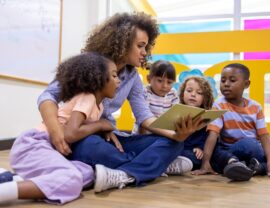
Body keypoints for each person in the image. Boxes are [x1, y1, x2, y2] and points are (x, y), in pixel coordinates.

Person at [37, 12, 203, 193]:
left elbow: (145, 117)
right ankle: (153, 166)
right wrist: (55, 129)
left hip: (113, 138)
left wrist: (175, 135)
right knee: (92, 147)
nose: (144, 53)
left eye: (146, 47)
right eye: (140, 46)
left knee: (175, 144)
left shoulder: (132, 77)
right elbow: (48, 96)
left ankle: (126, 172)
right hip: (83, 136)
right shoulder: (88, 65)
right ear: (122, 43)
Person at [0, 52, 120, 204]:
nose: (119, 81)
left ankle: (11, 179)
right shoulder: (88, 98)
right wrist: (101, 124)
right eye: (114, 76)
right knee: (73, 178)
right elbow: (71, 134)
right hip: (33, 145)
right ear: (98, 79)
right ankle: (4, 192)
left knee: (88, 172)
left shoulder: (99, 105)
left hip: (46, 149)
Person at [194, 63, 270, 179]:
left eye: (232, 80)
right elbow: (213, 134)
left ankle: (264, 167)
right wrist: (205, 162)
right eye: (223, 81)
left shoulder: (256, 106)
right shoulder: (219, 105)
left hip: (257, 146)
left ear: (246, 84)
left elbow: (264, 135)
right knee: (249, 144)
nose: (226, 84)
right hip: (236, 148)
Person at [178, 77, 253, 181]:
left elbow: (209, 137)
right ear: (182, 93)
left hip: (205, 151)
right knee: (189, 155)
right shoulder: (178, 112)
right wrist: (195, 149)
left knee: (217, 152)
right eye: (189, 91)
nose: (193, 94)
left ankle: (233, 163)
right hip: (185, 150)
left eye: (199, 93)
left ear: (205, 98)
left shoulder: (207, 114)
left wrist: (201, 148)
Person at [132, 60, 179, 135]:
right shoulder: (145, 93)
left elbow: (176, 113)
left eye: (169, 82)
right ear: (149, 79)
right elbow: (143, 120)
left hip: (165, 133)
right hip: (145, 133)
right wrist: (142, 138)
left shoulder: (172, 94)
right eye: (160, 81)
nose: (165, 86)